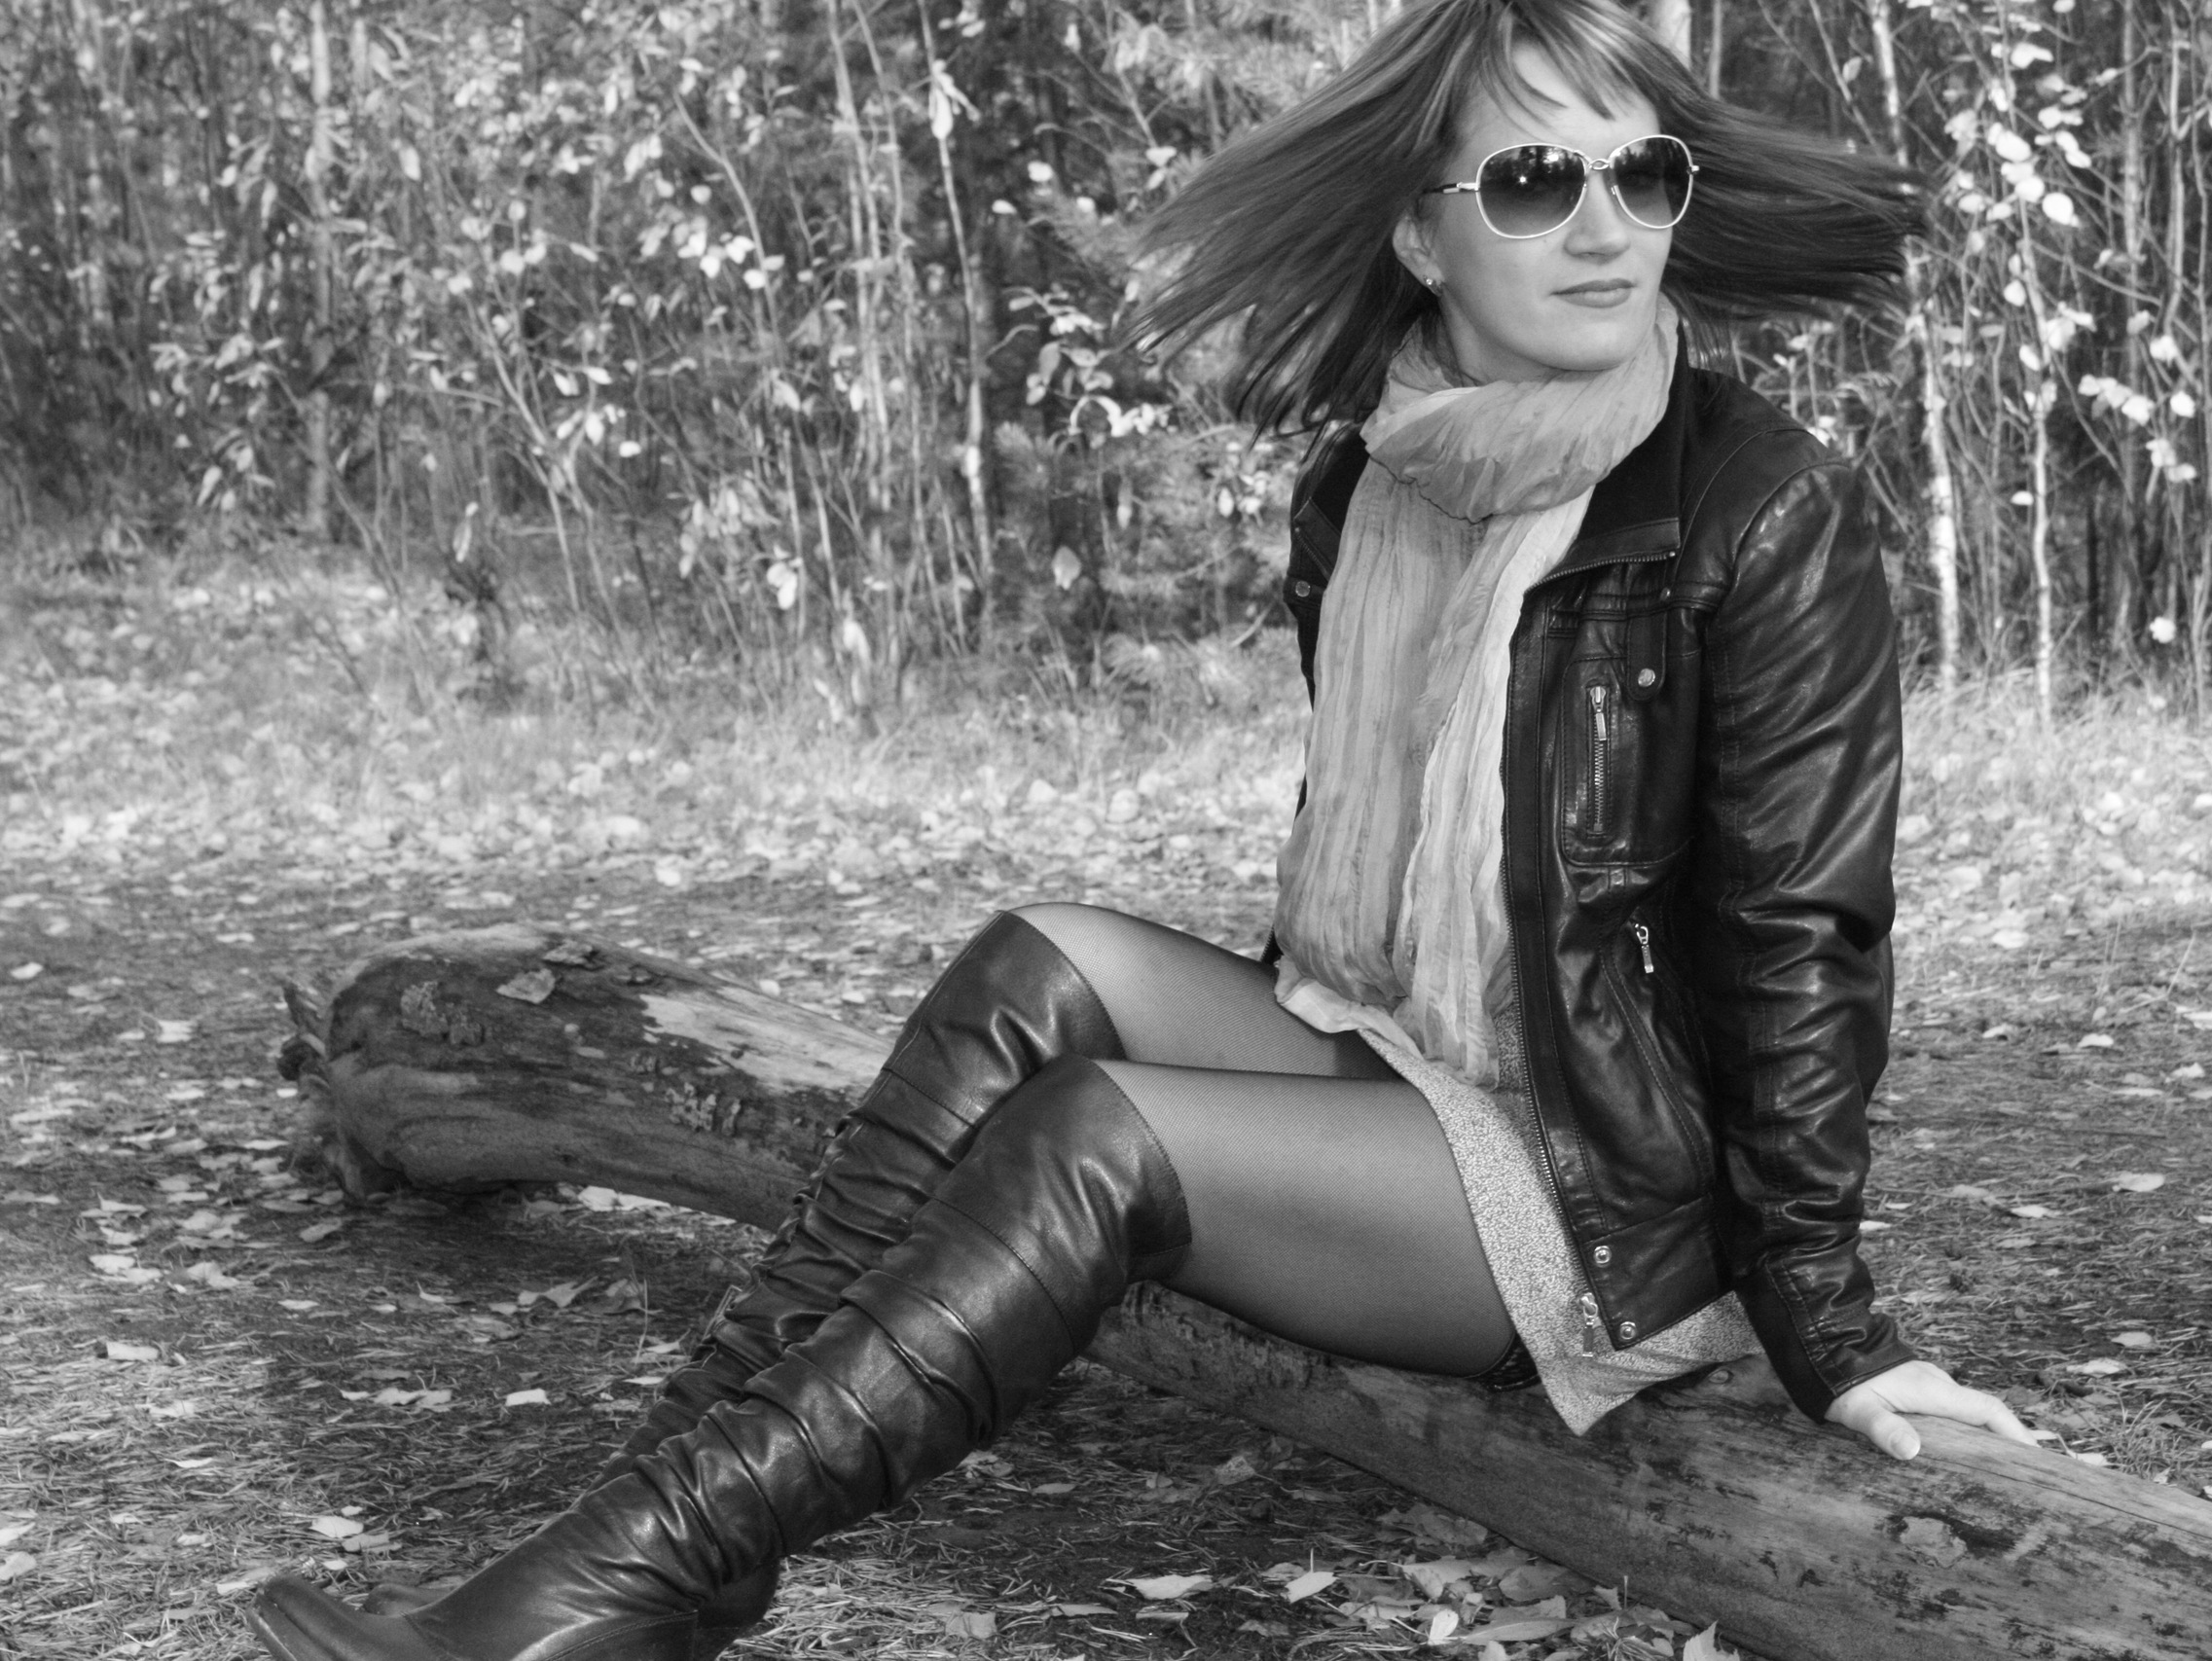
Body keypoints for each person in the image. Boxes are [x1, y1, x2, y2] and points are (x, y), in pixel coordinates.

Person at [244, 1, 2036, 1656]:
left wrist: (1831, 1327)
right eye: (1533, 179)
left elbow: (1802, 938)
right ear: (1425, 237)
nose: (1603, 227)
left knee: (1098, 1133)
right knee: (1035, 965)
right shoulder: (1376, 480)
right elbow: (1376, 862)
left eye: (1643, 175)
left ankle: (607, 1596)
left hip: (1605, 1180)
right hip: (1412, 1056)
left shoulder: (1761, 508)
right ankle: (643, 1558)